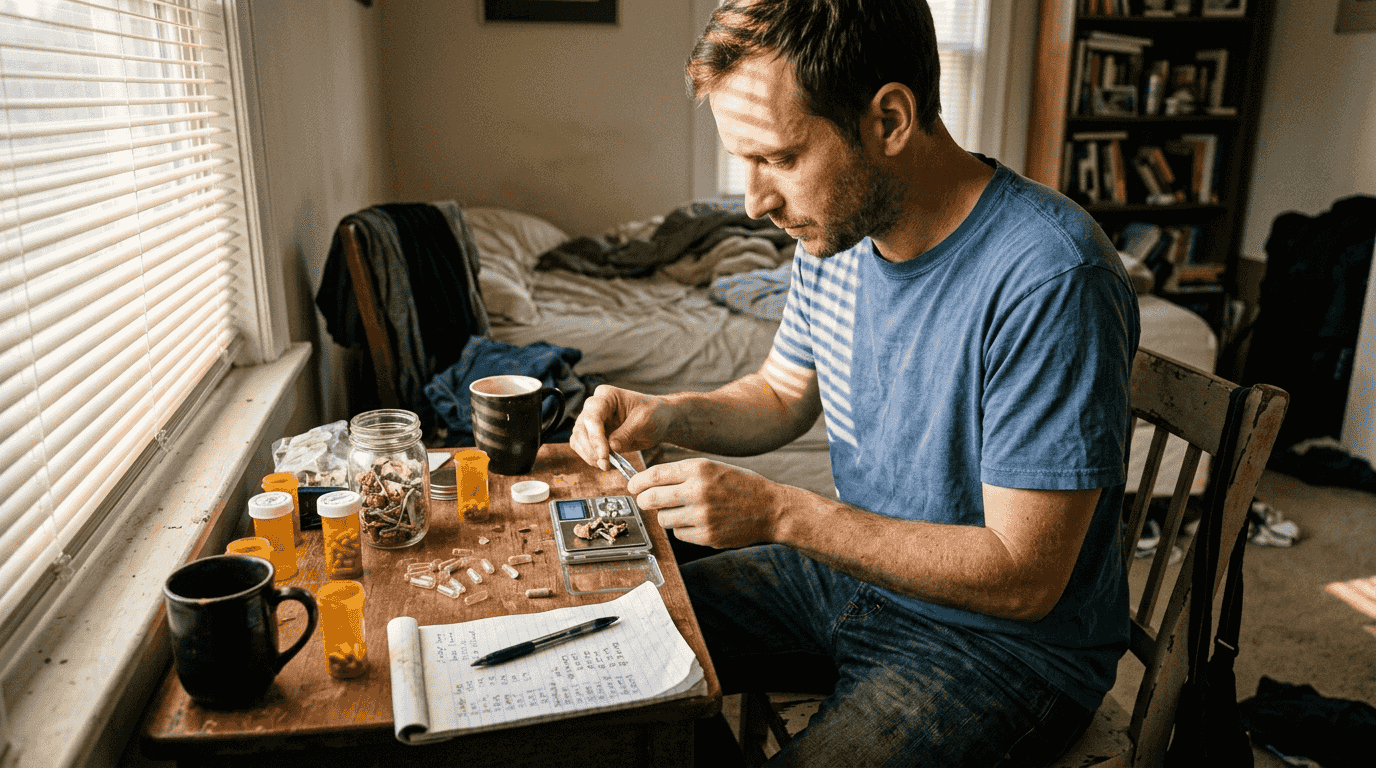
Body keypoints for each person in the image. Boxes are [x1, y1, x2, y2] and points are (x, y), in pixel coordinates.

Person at [570, 1, 1142, 765]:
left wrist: (779, 511)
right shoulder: (835, 238)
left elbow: (1023, 579)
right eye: (745, 162)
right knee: (604, 643)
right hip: (855, 577)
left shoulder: (1050, 277)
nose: (755, 203)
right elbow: (781, 396)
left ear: (891, 119)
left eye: (779, 159)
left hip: (1005, 650)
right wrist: (666, 412)